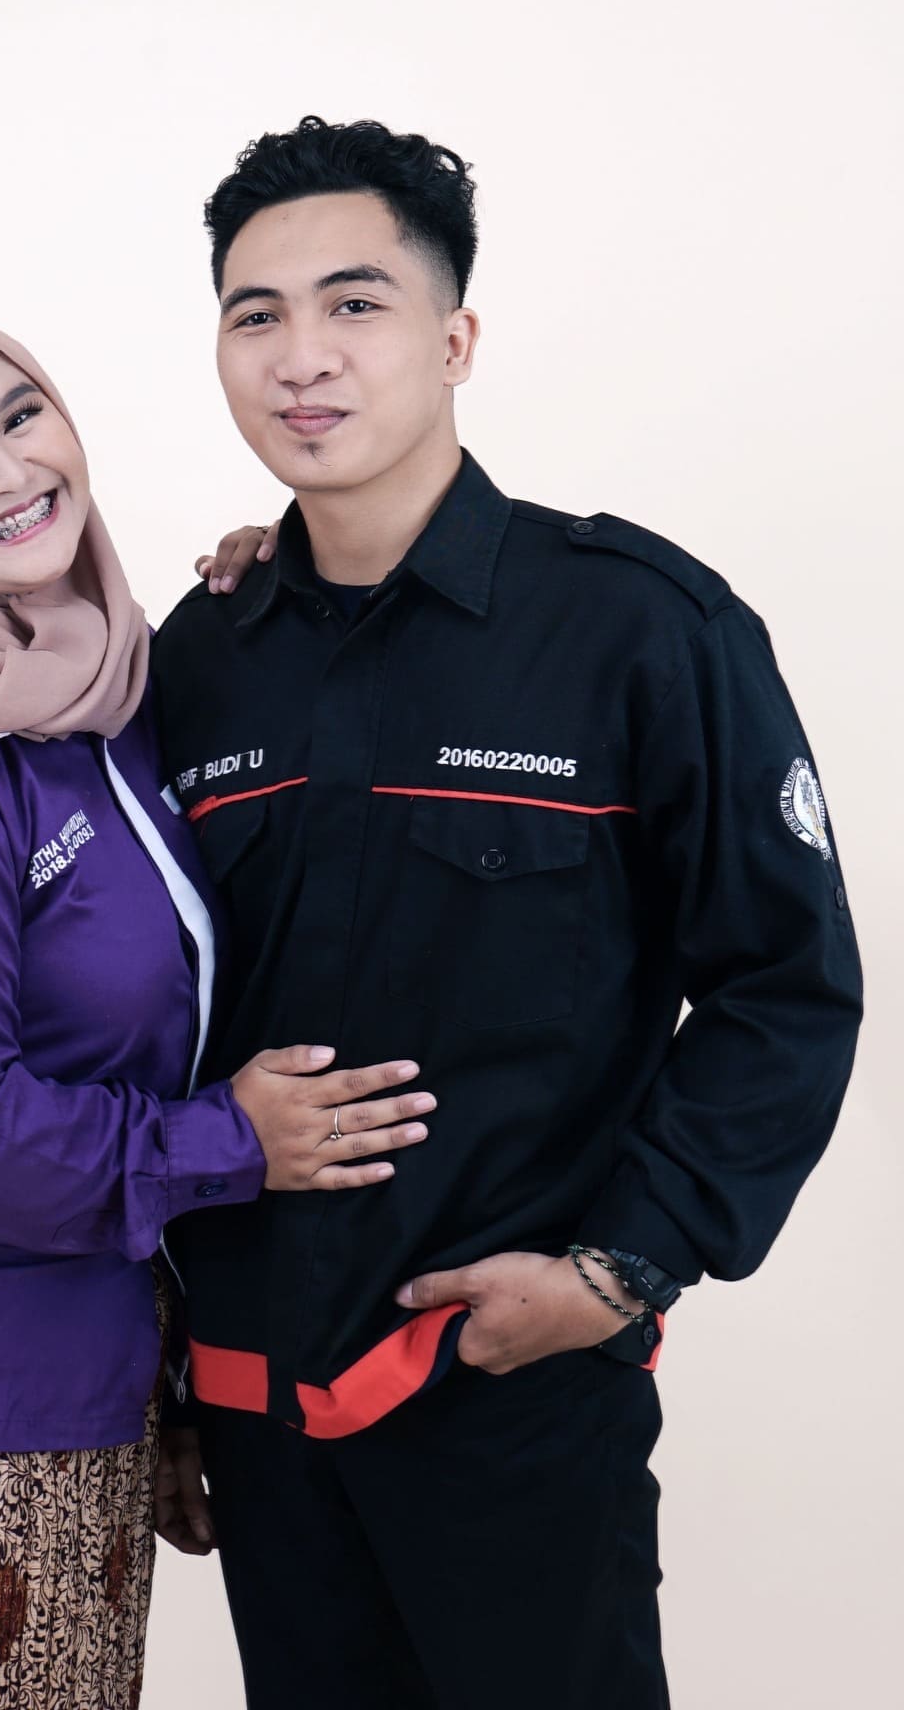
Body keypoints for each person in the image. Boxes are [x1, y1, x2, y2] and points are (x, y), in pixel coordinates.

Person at [151, 117, 863, 1709]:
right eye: (256, 315)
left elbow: (785, 984)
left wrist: (622, 1268)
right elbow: (141, 1016)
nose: (301, 356)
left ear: (455, 340)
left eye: (355, 304)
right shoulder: (196, 661)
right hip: (261, 1426)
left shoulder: (635, 629)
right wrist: (170, 1376)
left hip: (519, 1411)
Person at [0, 309, 437, 1710]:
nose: (6, 470)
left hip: (75, 1355)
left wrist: (274, 582)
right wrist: (239, 1142)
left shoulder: (93, 697)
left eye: (21, 416)